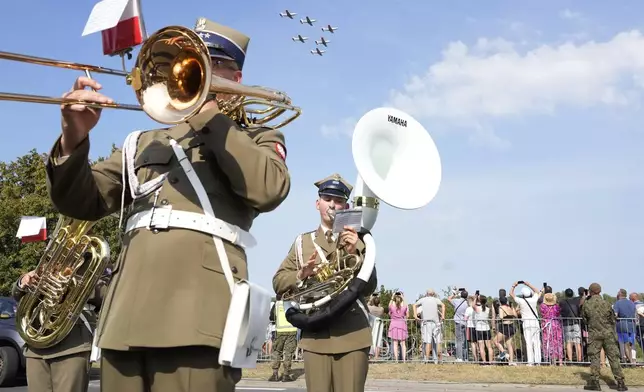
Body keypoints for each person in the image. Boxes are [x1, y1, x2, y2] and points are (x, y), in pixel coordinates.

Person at [45, 17, 291, 392]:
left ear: (234, 79)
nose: (195, 69)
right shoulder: (142, 142)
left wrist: (207, 113)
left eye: (210, 62)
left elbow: (269, 187)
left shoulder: (253, 134)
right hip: (123, 318)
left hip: (198, 317)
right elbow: (81, 201)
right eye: (192, 59)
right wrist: (72, 138)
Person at [272, 173, 377, 392]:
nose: (332, 204)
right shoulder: (302, 242)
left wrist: (357, 250)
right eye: (327, 199)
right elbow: (278, 282)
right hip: (316, 335)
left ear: (346, 206)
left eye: (338, 201)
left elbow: (369, 287)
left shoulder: (358, 239)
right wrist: (300, 274)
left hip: (352, 335)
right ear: (317, 203)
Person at [13, 269, 108, 392]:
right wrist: (22, 282)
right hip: (36, 345)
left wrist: (73, 283)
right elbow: (17, 294)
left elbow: (107, 294)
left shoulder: (93, 259)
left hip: (72, 345)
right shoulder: (46, 260)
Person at [582, 283, 627, 391]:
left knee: (595, 357)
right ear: (599, 291)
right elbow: (612, 319)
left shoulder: (586, 304)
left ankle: (595, 383)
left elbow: (584, 319)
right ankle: (620, 383)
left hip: (594, 333)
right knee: (613, 357)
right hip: (608, 334)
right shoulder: (606, 303)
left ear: (591, 291)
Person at [510, 281, 542, 365]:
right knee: (537, 342)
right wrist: (528, 284)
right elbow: (537, 292)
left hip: (526, 323)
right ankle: (538, 361)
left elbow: (511, 294)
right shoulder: (534, 299)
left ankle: (530, 361)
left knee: (528, 342)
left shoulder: (521, 301)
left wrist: (514, 285)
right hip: (535, 322)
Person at [269, 295, 298, 382]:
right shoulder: (294, 303)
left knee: (277, 352)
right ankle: (286, 375)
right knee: (288, 353)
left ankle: (275, 374)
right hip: (292, 330)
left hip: (280, 331)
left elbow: (271, 317)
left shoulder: (277, 304)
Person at [413, 289, 445, 363]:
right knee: (438, 342)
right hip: (436, 323)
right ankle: (439, 360)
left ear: (426, 293)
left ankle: (426, 360)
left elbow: (414, 305)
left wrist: (415, 316)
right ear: (433, 294)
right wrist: (443, 315)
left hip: (426, 323)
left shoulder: (423, 299)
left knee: (428, 342)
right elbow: (443, 305)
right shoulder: (436, 300)